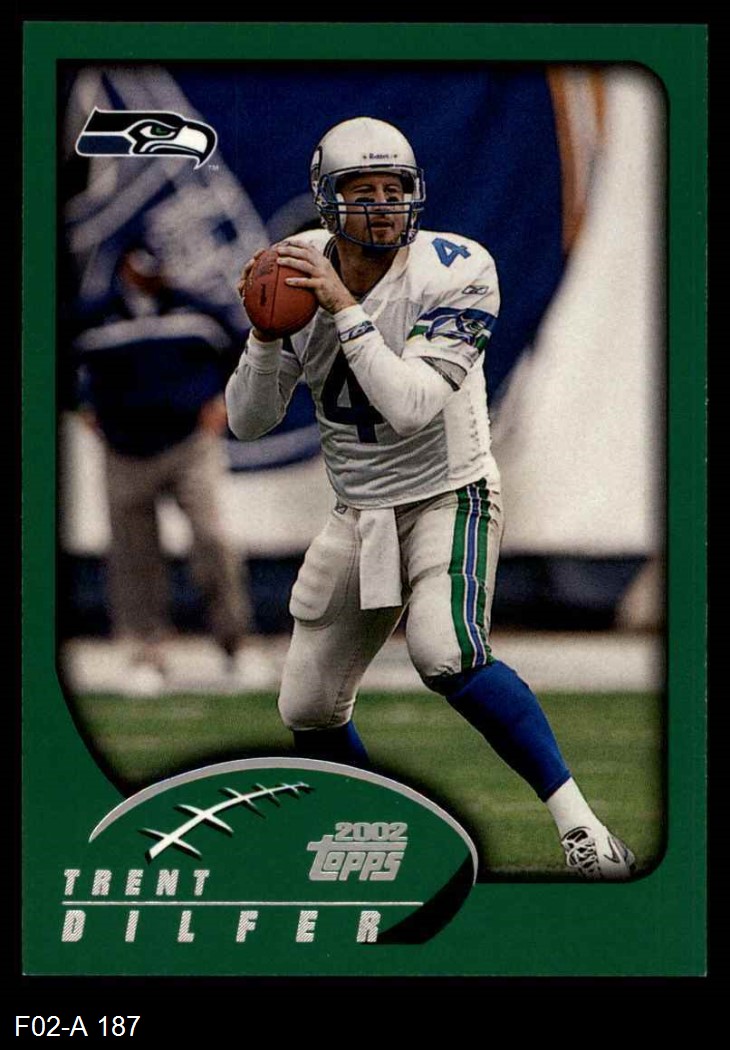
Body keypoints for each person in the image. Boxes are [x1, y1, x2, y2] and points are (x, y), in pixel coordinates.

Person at [225, 116, 634, 879]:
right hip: (359, 509)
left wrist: (343, 310)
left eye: (395, 189)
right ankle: (372, 833)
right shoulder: (296, 270)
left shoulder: (456, 269)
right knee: (307, 705)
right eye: (363, 190)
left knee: (447, 651)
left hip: (450, 491)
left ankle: (584, 829)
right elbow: (249, 423)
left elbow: (411, 404)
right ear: (326, 199)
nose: (382, 205)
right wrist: (264, 337)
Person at [75, 247, 248, 694]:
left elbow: (245, 351)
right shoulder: (95, 318)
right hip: (124, 449)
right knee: (133, 554)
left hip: (189, 443)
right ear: (125, 268)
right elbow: (53, 359)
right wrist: (80, 407)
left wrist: (225, 399)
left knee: (212, 538)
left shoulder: (197, 310)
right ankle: (145, 653)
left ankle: (234, 644)